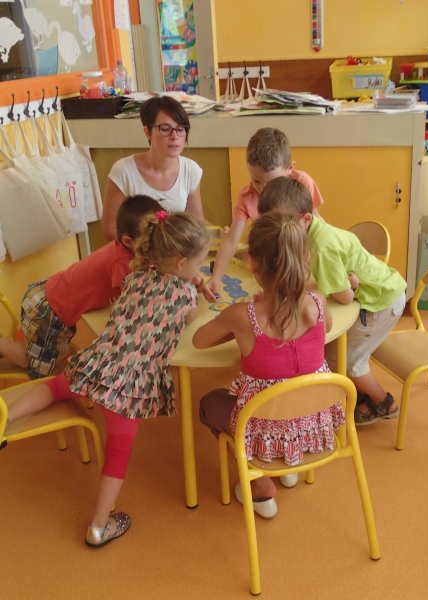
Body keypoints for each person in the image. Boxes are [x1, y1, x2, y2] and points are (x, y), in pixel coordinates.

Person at [7, 211, 210, 547]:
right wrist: (195, 288)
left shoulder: (135, 276)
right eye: (199, 263)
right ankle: (98, 527)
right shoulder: (186, 295)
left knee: (55, 387)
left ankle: (6, 417)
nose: (200, 270)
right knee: (117, 455)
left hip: (97, 365)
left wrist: (188, 276)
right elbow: (191, 318)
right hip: (129, 389)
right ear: (181, 263)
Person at [194, 212, 343, 519]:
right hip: (312, 426)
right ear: (304, 258)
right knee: (286, 397)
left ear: (252, 263)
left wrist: (239, 325)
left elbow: (199, 341)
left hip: (263, 427)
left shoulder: (242, 316)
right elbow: (325, 328)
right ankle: (289, 465)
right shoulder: (317, 302)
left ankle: (261, 485)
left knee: (209, 404)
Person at [257, 177, 407, 426]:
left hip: (382, 302)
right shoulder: (313, 231)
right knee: (332, 352)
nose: (276, 232)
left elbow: (345, 297)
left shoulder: (323, 246)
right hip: (379, 291)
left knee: (347, 359)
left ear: (305, 219)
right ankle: (357, 392)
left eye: (281, 225)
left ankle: (384, 403)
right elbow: (326, 281)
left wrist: (345, 287)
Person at [0, 195, 162, 379]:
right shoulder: (122, 263)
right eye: (152, 243)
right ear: (128, 241)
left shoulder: (126, 250)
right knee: (42, 371)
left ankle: (20, 350)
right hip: (48, 310)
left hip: (48, 298)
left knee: (51, 355)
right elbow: (133, 306)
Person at [201, 127, 324, 303]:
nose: (263, 189)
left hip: (305, 259)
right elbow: (231, 240)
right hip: (274, 266)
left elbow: (317, 225)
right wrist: (216, 277)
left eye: (272, 181)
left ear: (289, 169)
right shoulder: (246, 197)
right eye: (256, 181)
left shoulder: (302, 182)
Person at [102, 95, 208, 241]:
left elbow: (197, 222)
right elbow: (110, 230)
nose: (175, 136)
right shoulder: (123, 171)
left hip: (176, 252)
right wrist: (153, 245)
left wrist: (221, 234)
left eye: (181, 129)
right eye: (165, 129)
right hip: (137, 253)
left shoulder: (191, 170)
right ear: (147, 132)